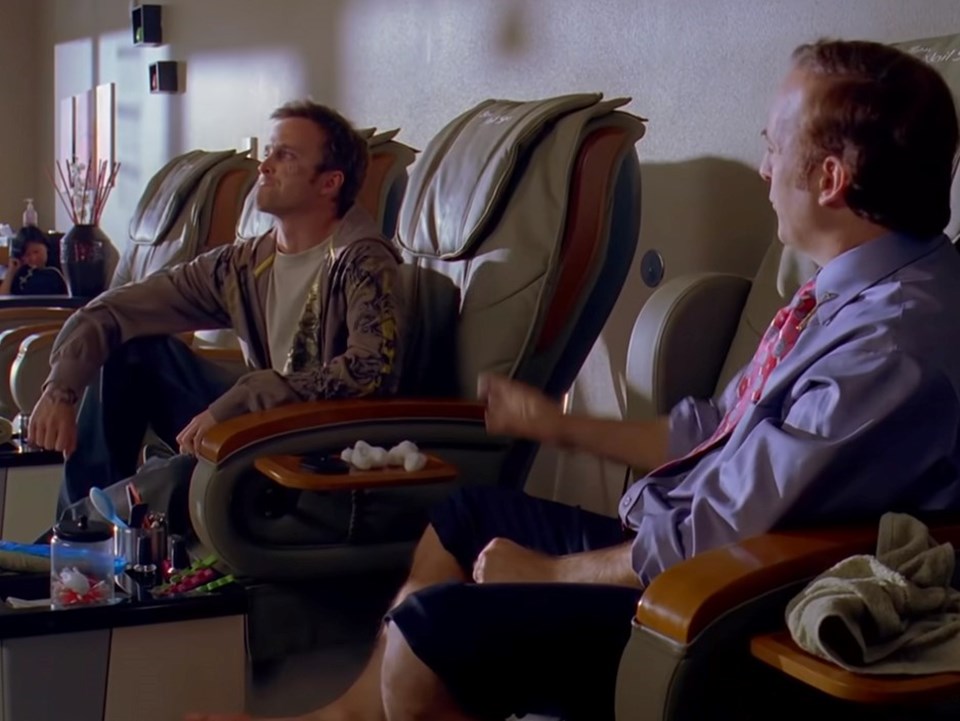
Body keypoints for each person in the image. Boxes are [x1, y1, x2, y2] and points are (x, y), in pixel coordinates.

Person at [191, 38, 960, 721]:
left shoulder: (889, 341)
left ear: (829, 178)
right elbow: (709, 431)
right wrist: (553, 423)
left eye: (774, 144)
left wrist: (551, 571)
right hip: (681, 546)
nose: (763, 166)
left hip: (724, 603)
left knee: (432, 635)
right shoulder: (839, 293)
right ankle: (345, 715)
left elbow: (721, 531)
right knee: (464, 516)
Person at [29, 100, 405, 533]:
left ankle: (70, 541)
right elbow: (113, 309)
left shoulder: (365, 261)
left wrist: (244, 397)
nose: (264, 166)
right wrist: (60, 391)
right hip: (256, 419)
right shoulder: (243, 265)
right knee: (130, 351)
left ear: (329, 182)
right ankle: (73, 541)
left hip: (315, 440)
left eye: (285, 155)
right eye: (269, 151)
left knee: (173, 477)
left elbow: (370, 371)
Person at [0, 225, 67, 295]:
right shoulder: (20, 274)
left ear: (46, 247)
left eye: (36, 252)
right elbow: (3, 297)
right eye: (27, 254)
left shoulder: (56, 272)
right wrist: (11, 271)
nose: (33, 258)